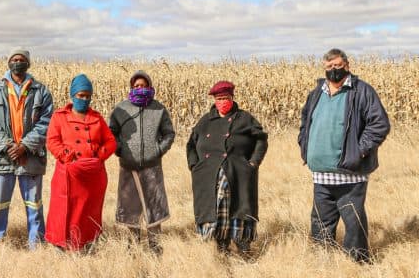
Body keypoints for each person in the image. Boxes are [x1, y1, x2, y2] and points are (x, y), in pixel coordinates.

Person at [298, 48, 390, 263]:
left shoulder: (361, 91)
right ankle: (323, 263)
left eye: (338, 66)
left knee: (354, 222)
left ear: (347, 66)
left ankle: (357, 263)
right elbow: (305, 122)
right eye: (329, 66)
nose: (334, 70)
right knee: (321, 222)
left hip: (350, 174)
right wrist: (305, 144)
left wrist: (360, 151)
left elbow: (379, 124)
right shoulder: (316, 93)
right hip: (321, 174)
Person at [0, 49, 54, 250]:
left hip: (31, 158)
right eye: (14, 59)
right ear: (8, 63)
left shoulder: (41, 91)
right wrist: (8, 145)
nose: (18, 62)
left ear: (28, 63)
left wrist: (25, 146)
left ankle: (36, 247)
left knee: (34, 207)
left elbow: (47, 122)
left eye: (21, 60)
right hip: (2, 159)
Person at [186, 80, 268, 256]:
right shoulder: (205, 121)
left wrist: (253, 162)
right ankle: (221, 243)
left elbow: (261, 139)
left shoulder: (245, 118)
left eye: (225, 97)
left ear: (232, 97)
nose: (223, 101)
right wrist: (194, 165)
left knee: (239, 206)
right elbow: (191, 144)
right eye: (219, 98)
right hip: (208, 173)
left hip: (238, 171)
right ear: (214, 100)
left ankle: (242, 243)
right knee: (216, 206)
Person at [45, 74, 117, 251]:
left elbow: (111, 142)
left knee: (89, 209)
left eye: (87, 96)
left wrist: (99, 156)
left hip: (93, 174)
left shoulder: (97, 118)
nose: (84, 99)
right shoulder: (59, 117)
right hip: (68, 173)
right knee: (63, 209)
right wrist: (68, 158)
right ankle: (61, 245)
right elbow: (52, 141)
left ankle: (86, 244)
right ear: (73, 95)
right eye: (80, 95)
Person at [108, 70, 175, 254]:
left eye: (144, 86)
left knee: (154, 207)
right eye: (137, 86)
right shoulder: (121, 109)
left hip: (152, 167)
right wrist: (120, 149)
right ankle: (133, 247)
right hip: (129, 167)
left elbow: (169, 133)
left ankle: (155, 247)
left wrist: (158, 150)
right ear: (131, 87)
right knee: (131, 208)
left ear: (149, 87)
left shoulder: (158, 109)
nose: (140, 89)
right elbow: (110, 133)